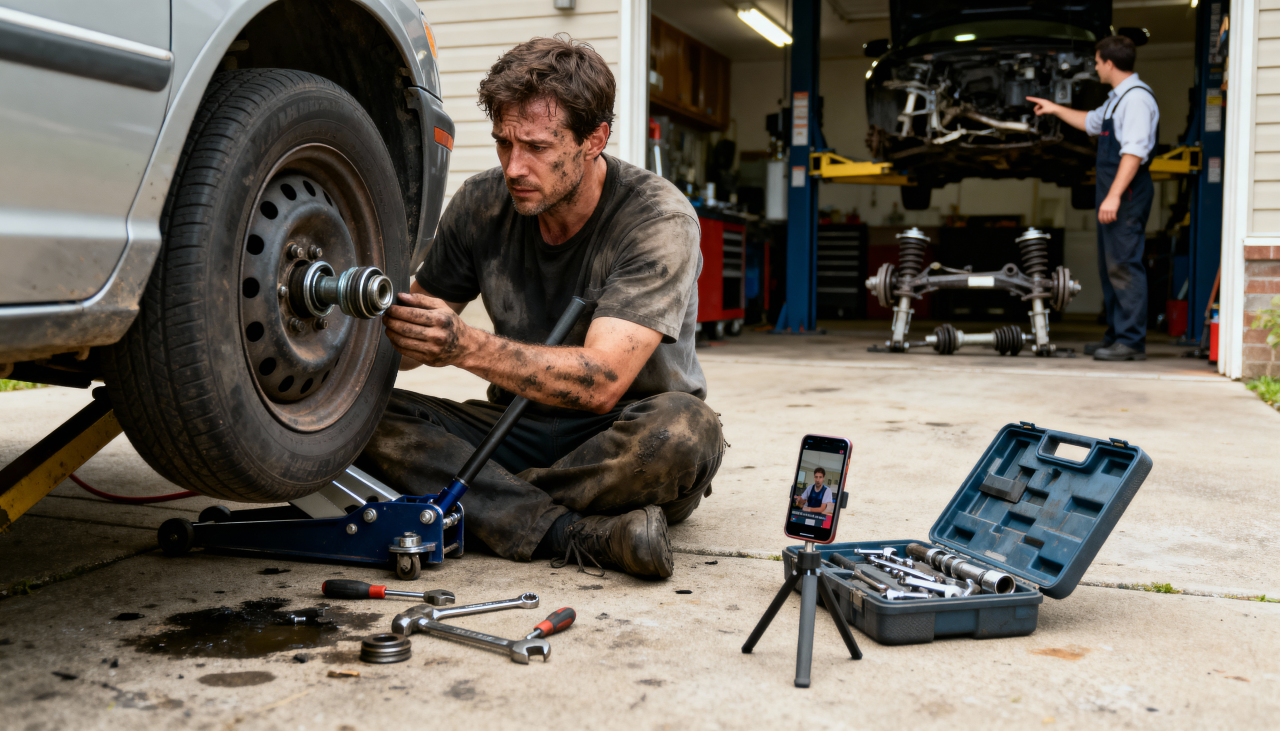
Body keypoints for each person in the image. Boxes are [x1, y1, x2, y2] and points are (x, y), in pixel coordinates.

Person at [355, 36, 725, 579]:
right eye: (504, 143)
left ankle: (476, 501)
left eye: (536, 147)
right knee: (360, 420)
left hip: (618, 437)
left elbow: (603, 382)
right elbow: (407, 346)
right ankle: (570, 532)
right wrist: (366, 312)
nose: (513, 167)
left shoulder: (658, 220)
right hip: (515, 426)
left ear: (594, 139)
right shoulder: (481, 203)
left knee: (687, 431)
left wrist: (463, 346)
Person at [1028, 35, 1159, 362]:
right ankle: (1116, 335)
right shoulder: (1117, 98)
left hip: (1126, 193)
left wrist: (1113, 197)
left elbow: (1134, 152)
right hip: (1114, 193)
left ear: (1110, 63)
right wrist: (1055, 108)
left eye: (1098, 62)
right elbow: (1089, 122)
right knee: (1110, 266)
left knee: (1125, 265)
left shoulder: (1137, 100)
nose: (1096, 67)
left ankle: (1130, 342)